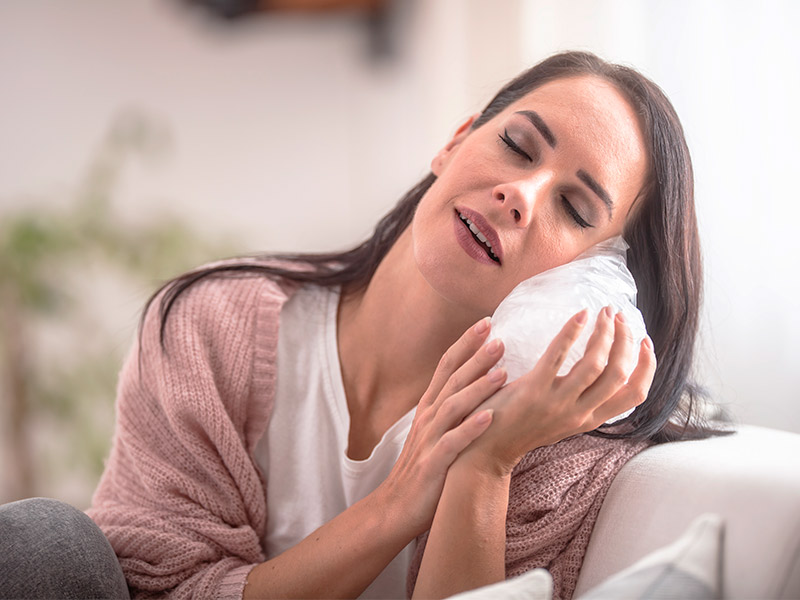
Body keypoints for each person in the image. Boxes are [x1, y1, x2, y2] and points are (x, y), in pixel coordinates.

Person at [0, 50, 719, 600]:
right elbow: (163, 589)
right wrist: (394, 508)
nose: (520, 195)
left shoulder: (558, 451)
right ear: (455, 142)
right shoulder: (210, 328)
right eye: (517, 146)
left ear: (602, 279)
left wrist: (485, 463)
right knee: (44, 545)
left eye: (575, 208)